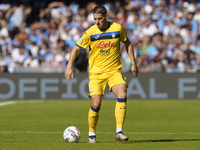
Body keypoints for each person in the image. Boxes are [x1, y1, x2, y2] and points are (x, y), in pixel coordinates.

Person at [65, 5, 138, 143]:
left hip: (114, 71)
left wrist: (133, 63)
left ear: (106, 17)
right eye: (95, 19)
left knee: (122, 94)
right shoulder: (90, 33)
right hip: (96, 74)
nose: (97, 22)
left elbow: (127, 43)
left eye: (99, 19)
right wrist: (69, 67)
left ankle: (119, 131)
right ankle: (91, 134)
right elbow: (75, 49)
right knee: (96, 104)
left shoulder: (117, 28)